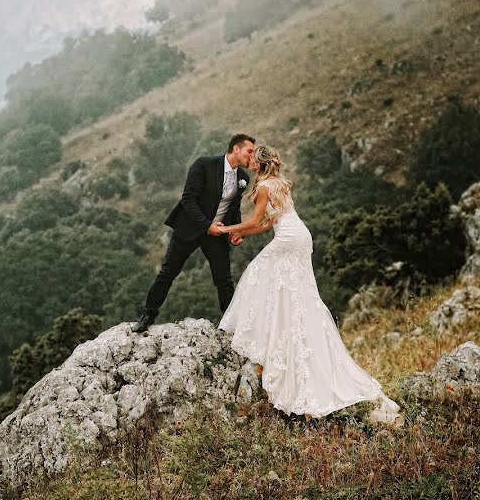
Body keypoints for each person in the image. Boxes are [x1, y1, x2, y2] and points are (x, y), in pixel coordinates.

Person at [216, 144, 403, 425]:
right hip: (301, 237)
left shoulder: (265, 186)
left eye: (253, 158)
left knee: (256, 272)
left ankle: (260, 330)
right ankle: (282, 326)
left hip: (290, 241)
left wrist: (226, 229)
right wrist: (242, 234)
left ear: (260, 163)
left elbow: (257, 220)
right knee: (295, 293)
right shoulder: (278, 182)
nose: (249, 161)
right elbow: (268, 223)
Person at [132, 133, 257, 333]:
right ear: (236, 149)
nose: (252, 156)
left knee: (224, 279)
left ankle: (230, 324)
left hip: (217, 234)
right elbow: (188, 199)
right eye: (249, 151)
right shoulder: (204, 165)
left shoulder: (243, 178)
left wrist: (237, 231)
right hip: (190, 228)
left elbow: (234, 208)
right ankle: (148, 315)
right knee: (168, 273)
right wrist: (207, 224)